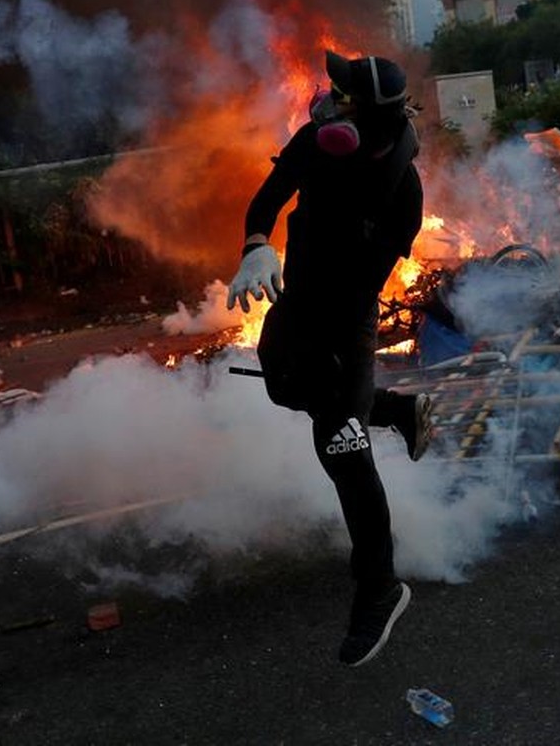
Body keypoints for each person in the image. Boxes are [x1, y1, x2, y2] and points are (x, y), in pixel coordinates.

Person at [225, 50, 433, 667]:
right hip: (296, 298)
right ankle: (394, 409)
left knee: (340, 445)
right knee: (282, 385)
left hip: (344, 321)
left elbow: (365, 281)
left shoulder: (403, 188)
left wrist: (331, 356)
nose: (325, 99)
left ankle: (380, 587)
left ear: (361, 116)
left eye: (338, 94)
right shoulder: (316, 142)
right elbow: (268, 198)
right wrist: (257, 246)